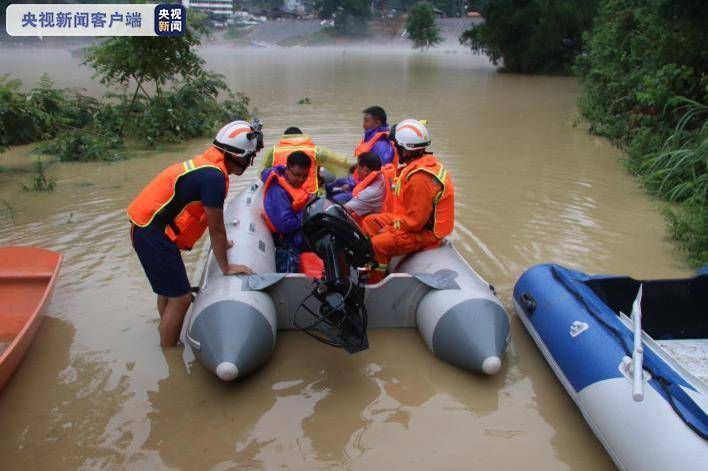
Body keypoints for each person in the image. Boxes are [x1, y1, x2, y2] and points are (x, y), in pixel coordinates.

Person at [128, 120, 263, 347]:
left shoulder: (206, 167)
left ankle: (166, 330)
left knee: (169, 293)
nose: (250, 163)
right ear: (239, 155)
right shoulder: (214, 178)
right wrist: (227, 267)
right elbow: (216, 228)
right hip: (153, 235)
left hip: (146, 229)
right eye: (250, 157)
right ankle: (169, 352)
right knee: (181, 299)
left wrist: (225, 244)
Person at [361, 119, 454, 283]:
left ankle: (375, 281)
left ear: (404, 149)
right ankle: (370, 262)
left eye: (396, 145)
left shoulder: (419, 178)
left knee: (378, 243)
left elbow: (415, 222)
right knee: (369, 221)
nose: (395, 149)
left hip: (425, 233)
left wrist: (390, 229)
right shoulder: (417, 166)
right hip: (410, 222)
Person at [261, 151, 312, 273]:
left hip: (296, 237)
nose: (301, 179)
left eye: (305, 176)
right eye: (297, 175)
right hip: (286, 244)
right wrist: (306, 214)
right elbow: (285, 225)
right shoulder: (278, 192)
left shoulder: (291, 184)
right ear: (287, 169)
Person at [261, 127, 351, 195]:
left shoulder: (273, 152)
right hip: (312, 194)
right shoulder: (315, 151)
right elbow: (341, 162)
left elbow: (262, 174)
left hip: (283, 194)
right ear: (302, 137)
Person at [344, 152, 387, 223]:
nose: (356, 170)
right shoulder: (382, 175)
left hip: (370, 227)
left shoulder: (370, 193)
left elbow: (344, 210)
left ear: (365, 171)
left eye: (357, 167)